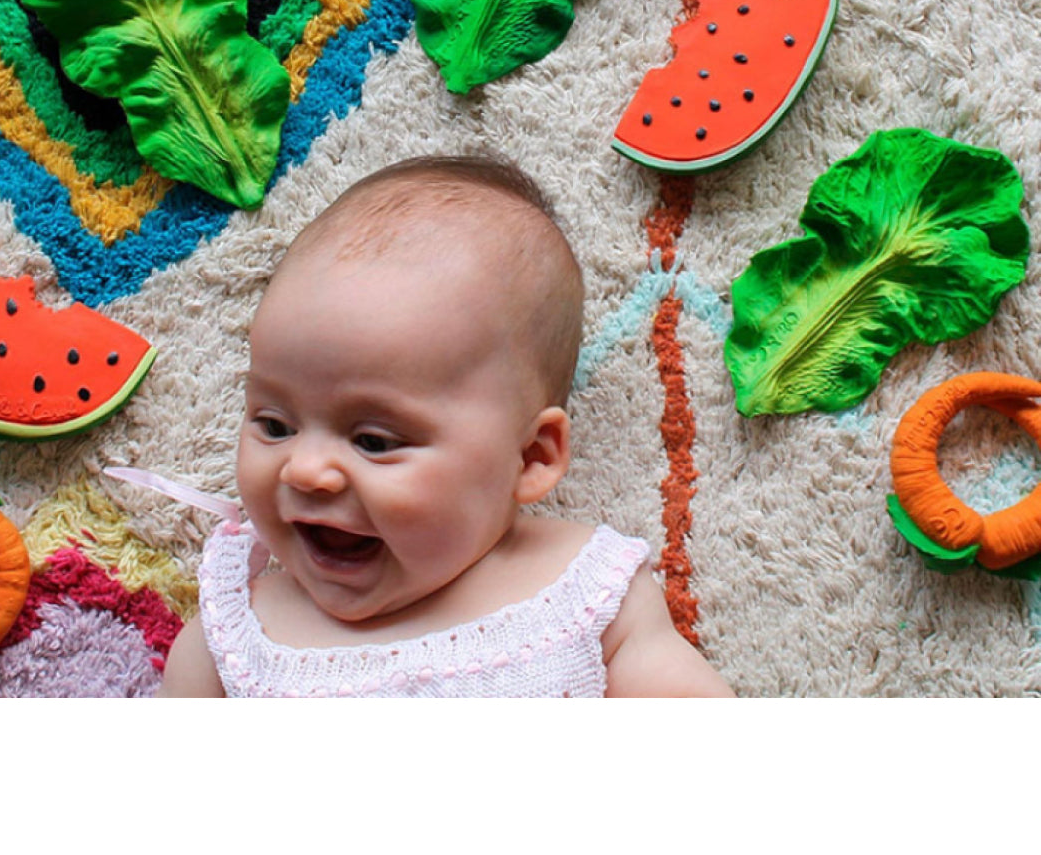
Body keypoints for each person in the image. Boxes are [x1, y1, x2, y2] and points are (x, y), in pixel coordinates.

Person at [161, 153, 733, 697]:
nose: (305, 469)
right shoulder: (233, 639)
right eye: (275, 425)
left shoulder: (582, 594)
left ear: (531, 457)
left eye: (373, 441)